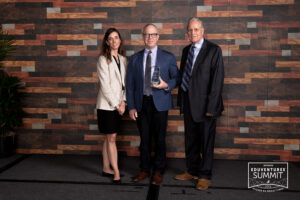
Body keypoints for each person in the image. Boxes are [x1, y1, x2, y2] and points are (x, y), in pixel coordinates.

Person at [174, 17, 224, 190]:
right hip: (188, 104)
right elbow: (184, 77)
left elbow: (217, 81)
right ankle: (192, 170)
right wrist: (181, 102)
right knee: (191, 140)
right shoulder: (186, 50)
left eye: (196, 29)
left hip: (206, 107)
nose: (192, 33)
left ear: (203, 31)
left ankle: (204, 175)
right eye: (190, 30)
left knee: (206, 142)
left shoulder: (214, 50)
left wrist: (212, 108)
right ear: (187, 33)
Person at [126, 24, 179, 185]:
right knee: (145, 139)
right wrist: (131, 106)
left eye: (153, 34)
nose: (150, 37)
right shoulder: (135, 59)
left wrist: (166, 85)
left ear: (158, 37)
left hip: (160, 103)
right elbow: (130, 85)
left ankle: (158, 171)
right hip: (142, 103)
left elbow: (177, 78)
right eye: (147, 35)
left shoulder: (168, 57)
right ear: (143, 36)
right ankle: (144, 170)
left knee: (160, 139)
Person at [96, 28, 127, 184]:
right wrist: (117, 105)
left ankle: (106, 167)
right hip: (107, 106)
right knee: (112, 138)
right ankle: (116, 172)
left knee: (108, 137)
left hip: (119, 104)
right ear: (107, 42)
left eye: (116, 37)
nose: (114, 41)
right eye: (111, 38)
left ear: (120, 40)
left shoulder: (123, 59)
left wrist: (124, 101)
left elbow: (124, 84)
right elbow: (105, 86)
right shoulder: (103, 59)